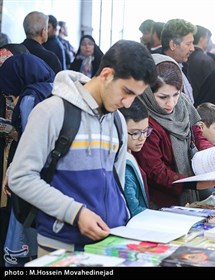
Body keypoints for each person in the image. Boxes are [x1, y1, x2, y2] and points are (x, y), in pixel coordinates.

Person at [7, 40, 157, 256]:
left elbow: (118, 181)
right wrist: (76, 213)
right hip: (61, 248)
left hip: (110, 244)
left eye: (135, 95)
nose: (127, 103)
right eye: (126, 91)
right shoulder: (52, 111)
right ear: (106, 75)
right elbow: (20, 178)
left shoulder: (117, 121)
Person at [135, 54, 215, 209]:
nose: (170, 103)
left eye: (176, 94)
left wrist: (213, 157)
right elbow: (155, 171)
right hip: (161, 202)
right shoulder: (143, 120)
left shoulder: (183, 104)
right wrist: (193, 184)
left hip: (187, 191)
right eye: (162, 97)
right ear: (147, 91)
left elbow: (197, 135)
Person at [0, 54, 55, 266]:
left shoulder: (30, 96)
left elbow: (30, 140)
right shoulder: (52, 87)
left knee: (23, 224)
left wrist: (11, 172)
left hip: (31, 171)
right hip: (51, 172)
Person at [118, 99, 150, 216]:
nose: (142, 138)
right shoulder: (123, 165)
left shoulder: (130, 153)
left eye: (146, 131)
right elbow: (133, 210)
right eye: (135, 133)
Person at [161, 18, 196, 104]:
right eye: (188, 44)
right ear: (173, 45)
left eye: (192, 43)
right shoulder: (161, 72)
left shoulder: (182, 67)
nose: (192, 48)